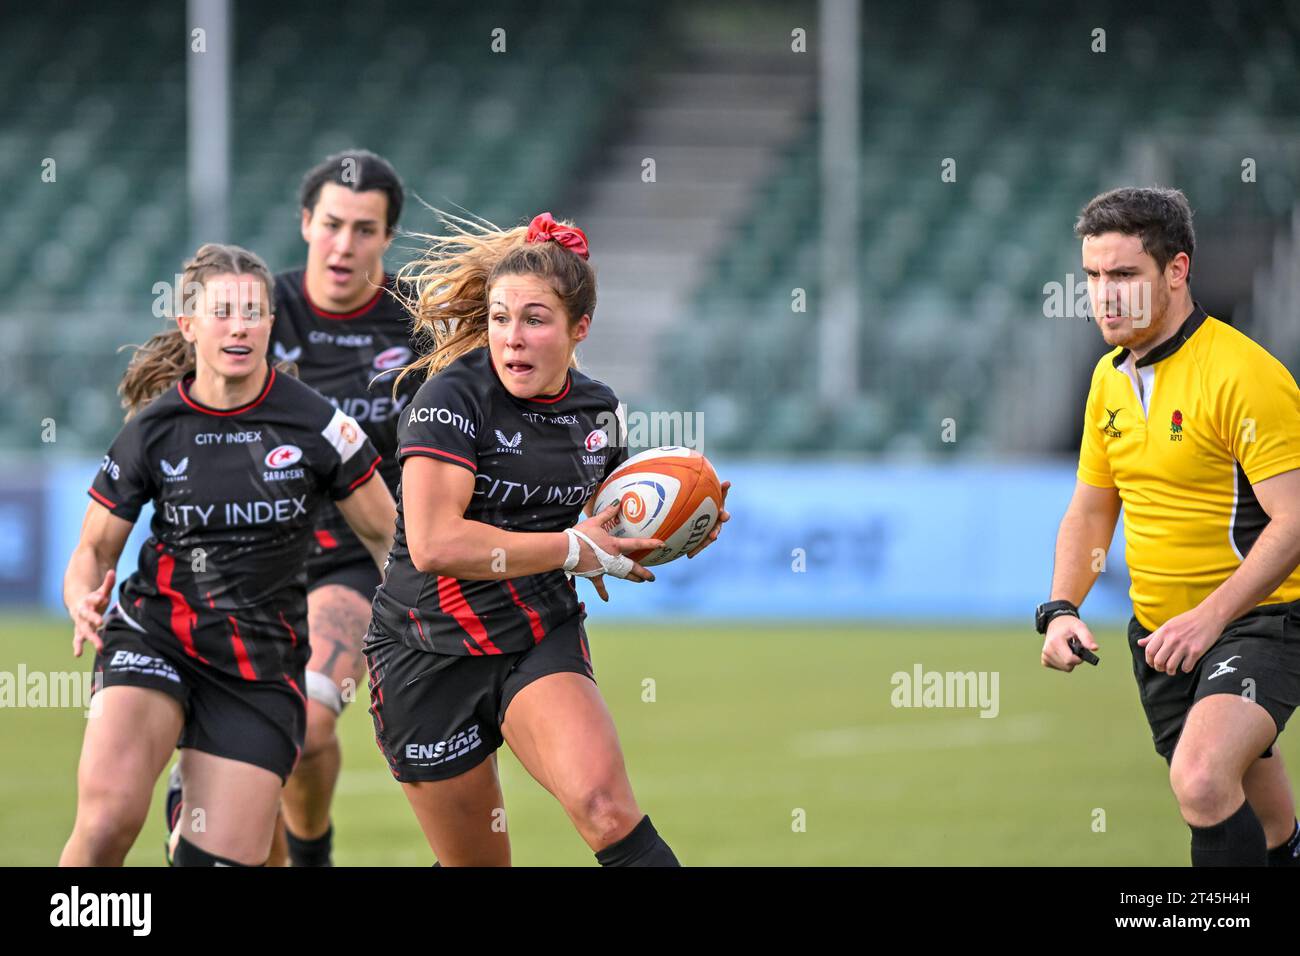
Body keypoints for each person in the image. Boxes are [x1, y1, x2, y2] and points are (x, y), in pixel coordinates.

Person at [364, 211, 730, 865]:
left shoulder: (599, 413)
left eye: (535, 319)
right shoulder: (448, 400)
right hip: (423, 653)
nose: (513, 338)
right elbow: (435, 543)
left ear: (578, 328)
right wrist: (573, 548)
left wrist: (673, 528)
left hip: (534, 634)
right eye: (501, 318)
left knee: (606, 809)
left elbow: (604, 524)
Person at [61, 243, 395, 866]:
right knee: (106, 824)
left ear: (272, 323)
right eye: (223, 311)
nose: (240, 324)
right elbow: (94, 549)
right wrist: (81, 595)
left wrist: (408, 630)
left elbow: (386, 540)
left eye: (254, 311)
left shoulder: (321, 427)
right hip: (155, 637)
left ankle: (198, 792)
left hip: (260, 666)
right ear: (188, 324)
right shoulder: (152, 430)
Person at [1038, 187, 1300, 866]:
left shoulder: (1245, 375)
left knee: (1202, 780)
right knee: (1271, 834)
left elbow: (1295, 523)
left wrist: (1212, 619)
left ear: (1177, 272)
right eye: (1093, 277)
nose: (1104, 296)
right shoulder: (1107, 380)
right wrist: (1062, 607)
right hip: (1162, 638)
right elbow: (1093, 508)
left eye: (1124, 275)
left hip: (1259, 621)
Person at [261, 149, 414, 866]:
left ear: (388, 237)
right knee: (246, 761)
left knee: (309, 724)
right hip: (253, 559)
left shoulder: (421, 326)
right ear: (304, 223)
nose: (344, 244)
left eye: (364, 229)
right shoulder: (256, 312)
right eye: (331, 224)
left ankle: (310, 854)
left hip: (356, 557)